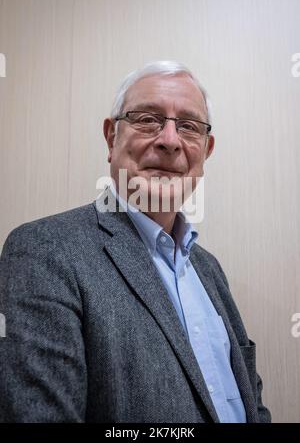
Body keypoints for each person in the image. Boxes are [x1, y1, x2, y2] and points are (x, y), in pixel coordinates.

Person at [0, 61, 271, 423]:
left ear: (206, 151)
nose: (170, 141)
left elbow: (249, 401)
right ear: (112, 138)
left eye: (189, 127)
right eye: (147, 119)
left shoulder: (209, 269)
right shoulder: (43, 250)